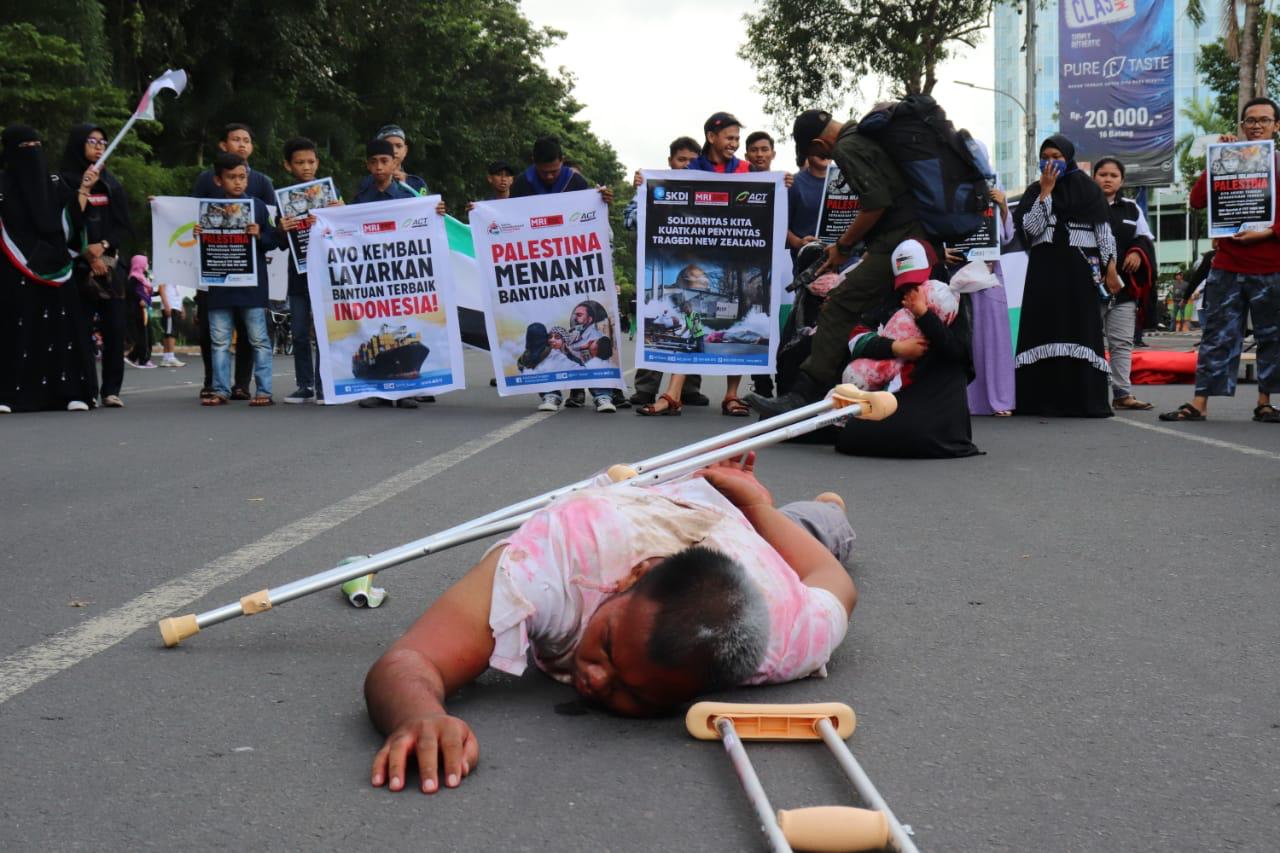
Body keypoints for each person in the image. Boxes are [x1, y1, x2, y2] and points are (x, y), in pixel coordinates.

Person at [364, 454, 857, 793]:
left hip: (748, 535)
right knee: (767, 511)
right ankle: (778, 503)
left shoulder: (785, 633)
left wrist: (757, 508)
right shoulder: (555, 562)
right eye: (608, 648)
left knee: (814, 528)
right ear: (631, 577)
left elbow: (828, 578)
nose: (597, 681)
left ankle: (825, 510)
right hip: (655, 497)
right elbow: (412, 659)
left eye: (639, 696)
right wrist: (417, 716)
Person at [746, 107, 928, 416]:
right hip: (909, 237)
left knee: (838, 305)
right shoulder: (866, 136)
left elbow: (875, 204)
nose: (822, 155)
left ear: (819, 142)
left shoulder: (848, 146)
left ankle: (802, 396)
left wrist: (843, 246)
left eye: (815, 150)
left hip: (901, 239)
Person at [1161, 97, 1280, 423]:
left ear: (1276, 126)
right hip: (1227, 266)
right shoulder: (1226, 159)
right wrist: (1217, 161)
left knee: (1273, 337)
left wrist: (1268, 233)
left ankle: (1265, 402)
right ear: (1242, 126)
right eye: (1250, 120)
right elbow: (1198, 200)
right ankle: (1199, 403)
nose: (1256, 125)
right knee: (1217, 335)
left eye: (1264, 120)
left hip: (1272, 267)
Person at [803, 239, 980, 458]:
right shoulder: (892, 297)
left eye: (917, 282)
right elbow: (856, 336)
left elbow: (959, 354)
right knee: (852, 434)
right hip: (893, 392)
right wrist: (896, 347)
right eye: (906, 284)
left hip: (935, 396)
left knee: (897, 434)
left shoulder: (950, 299)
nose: (911, 290)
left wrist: (925, 316)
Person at [1010, 134, 1118, 418]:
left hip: (1078, 270)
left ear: (1068, 157)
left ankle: (1083, 401)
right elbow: (1030, 230)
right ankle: (1040, 401)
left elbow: (1103, 232)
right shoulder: (1035, 191)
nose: (1051, 162)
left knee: (1079, 327)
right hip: (1044, 271)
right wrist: (1046, 192)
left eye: (1057, 157)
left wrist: (1110, 267)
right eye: (1046, 157)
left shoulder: (1089, 190)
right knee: (1042, 328)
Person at [509, 137, 615, 411]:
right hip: (539, 267)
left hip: (572, 266)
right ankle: (550, 393)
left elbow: (590, 218)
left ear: (562, 162)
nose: (549, 176)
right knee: (542, 325)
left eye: (554, 171)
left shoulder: (575, 182)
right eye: (544, 172)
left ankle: (601, 393)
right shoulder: (522, 183)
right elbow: (508, 220)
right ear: (534, 164)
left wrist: (602, 200)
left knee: (586, 336)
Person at [0, 125, 97, 414]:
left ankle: (70, 391)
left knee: (62, 332)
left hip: (56, 269)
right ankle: (8, 393)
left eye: (36, 145)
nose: (33, 152)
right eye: (25, 146)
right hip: (12, 269)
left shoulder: (54, 183)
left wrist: (83, 190)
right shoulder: (3, 184)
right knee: (15, 329)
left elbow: (70, 224)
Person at [352, 138, 446, 408]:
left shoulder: (410, 198)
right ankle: (378, 391)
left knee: (402, 321)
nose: (379, 167)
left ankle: (403, 391)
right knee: (373, 323)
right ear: (367, 165)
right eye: (374, 162)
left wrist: (436, 212)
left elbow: (427, 228)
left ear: (395, 163)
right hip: (372, 275)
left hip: (402, 276)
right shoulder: (360, 199)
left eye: (385, 161)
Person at [625, 137, 708, 408]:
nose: (685, 166)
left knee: (694, 324)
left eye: (691, 161)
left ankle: (690, 387)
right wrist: (642, 192)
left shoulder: (709, 191)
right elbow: (629, 221)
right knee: (658, 323)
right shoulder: (651, 188)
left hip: (693, 270)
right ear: (670, 161)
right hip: (658, 268)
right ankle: (646, 387)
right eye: (681, 160)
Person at [193, 124, 272, 402]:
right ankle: (220, 389)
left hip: (252, 287)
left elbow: (274, 241)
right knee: (219, 342)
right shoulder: (207, 211)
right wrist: (198, 236)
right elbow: (198, 249)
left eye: (242, 177)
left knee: (259, 340)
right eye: (231, 178)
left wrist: (260, 234)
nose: (238, 182)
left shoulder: (258, 207)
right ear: (218, 181)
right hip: (219, 287)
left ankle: (263, 390)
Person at [60, 122, 134, 407]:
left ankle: (111, 389)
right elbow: (65, 223)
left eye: (103, 142)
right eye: (92, 141)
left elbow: (122, 226)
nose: (99, 147)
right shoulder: (63, 181)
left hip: (110, 264)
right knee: (78, 330)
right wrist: (88, 256)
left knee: (115, 327)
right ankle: (85, 387)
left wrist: (102, 251)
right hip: (76, 265)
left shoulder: (112, 183)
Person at [277, 137, 341, 404]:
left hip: (325, 274)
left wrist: (341, 212)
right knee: (300, 333)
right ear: (287, 165)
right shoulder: (281, 199)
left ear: (318, 162)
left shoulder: (331, 193)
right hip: (298, 274)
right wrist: (281, 229)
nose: (306, 167)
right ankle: (304, 385)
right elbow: (280, 244)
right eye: (299, 162)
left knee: (324, 332)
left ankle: (324, 385)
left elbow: (344, 232)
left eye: (311, 161)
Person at [1092, 157, 1155, 411]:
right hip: (1089, 288)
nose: (1108, 179)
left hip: (1123, 290)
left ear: (1122, 181)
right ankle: (1092, 394)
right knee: (1090, 341)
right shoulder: (1083, 206)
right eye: (1102, 174)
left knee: (1121, 343)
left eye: (1114, 175)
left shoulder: (1132, 209)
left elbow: (1145, 238)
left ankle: (1122, 394)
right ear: (1093, 177)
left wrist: (1137, 252)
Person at [964, 185, 1017, 417]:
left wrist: (1003, 205)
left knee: (994, 338)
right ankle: (965, 400)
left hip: (988, 275)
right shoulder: (947, 188)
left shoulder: (995, 190)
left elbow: (1006, 236)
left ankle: (1000, 399)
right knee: (964, 337)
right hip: (959, 273)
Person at [355, 124, 429, 198]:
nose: (394, 151)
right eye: (388, 146)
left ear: (405, 150)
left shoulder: (417, 183)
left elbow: (425, 207)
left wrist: (437, 208)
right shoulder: (366, 183)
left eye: (399, 146)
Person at [125, 254, 155, 369]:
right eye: (145, 262)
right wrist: (140, 299)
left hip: (143, 310)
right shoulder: (134, 278)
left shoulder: (142, 277)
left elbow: (146, 292)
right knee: (142, 336)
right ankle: (142, 359)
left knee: (146, 335)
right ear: (140, 264)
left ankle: (137, 357)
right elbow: (130, 292)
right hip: (136, 311)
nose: (147, 265)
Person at [156, 276, 185, 367]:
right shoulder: (165, 274)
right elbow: (161, 289)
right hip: (170, 306)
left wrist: (181, 307)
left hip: (175, 306)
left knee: (171, 331)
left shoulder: (175, 276)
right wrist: (166, 305)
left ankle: (166, 358)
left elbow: (178, 294)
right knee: (170, 332)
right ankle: (170, 357)